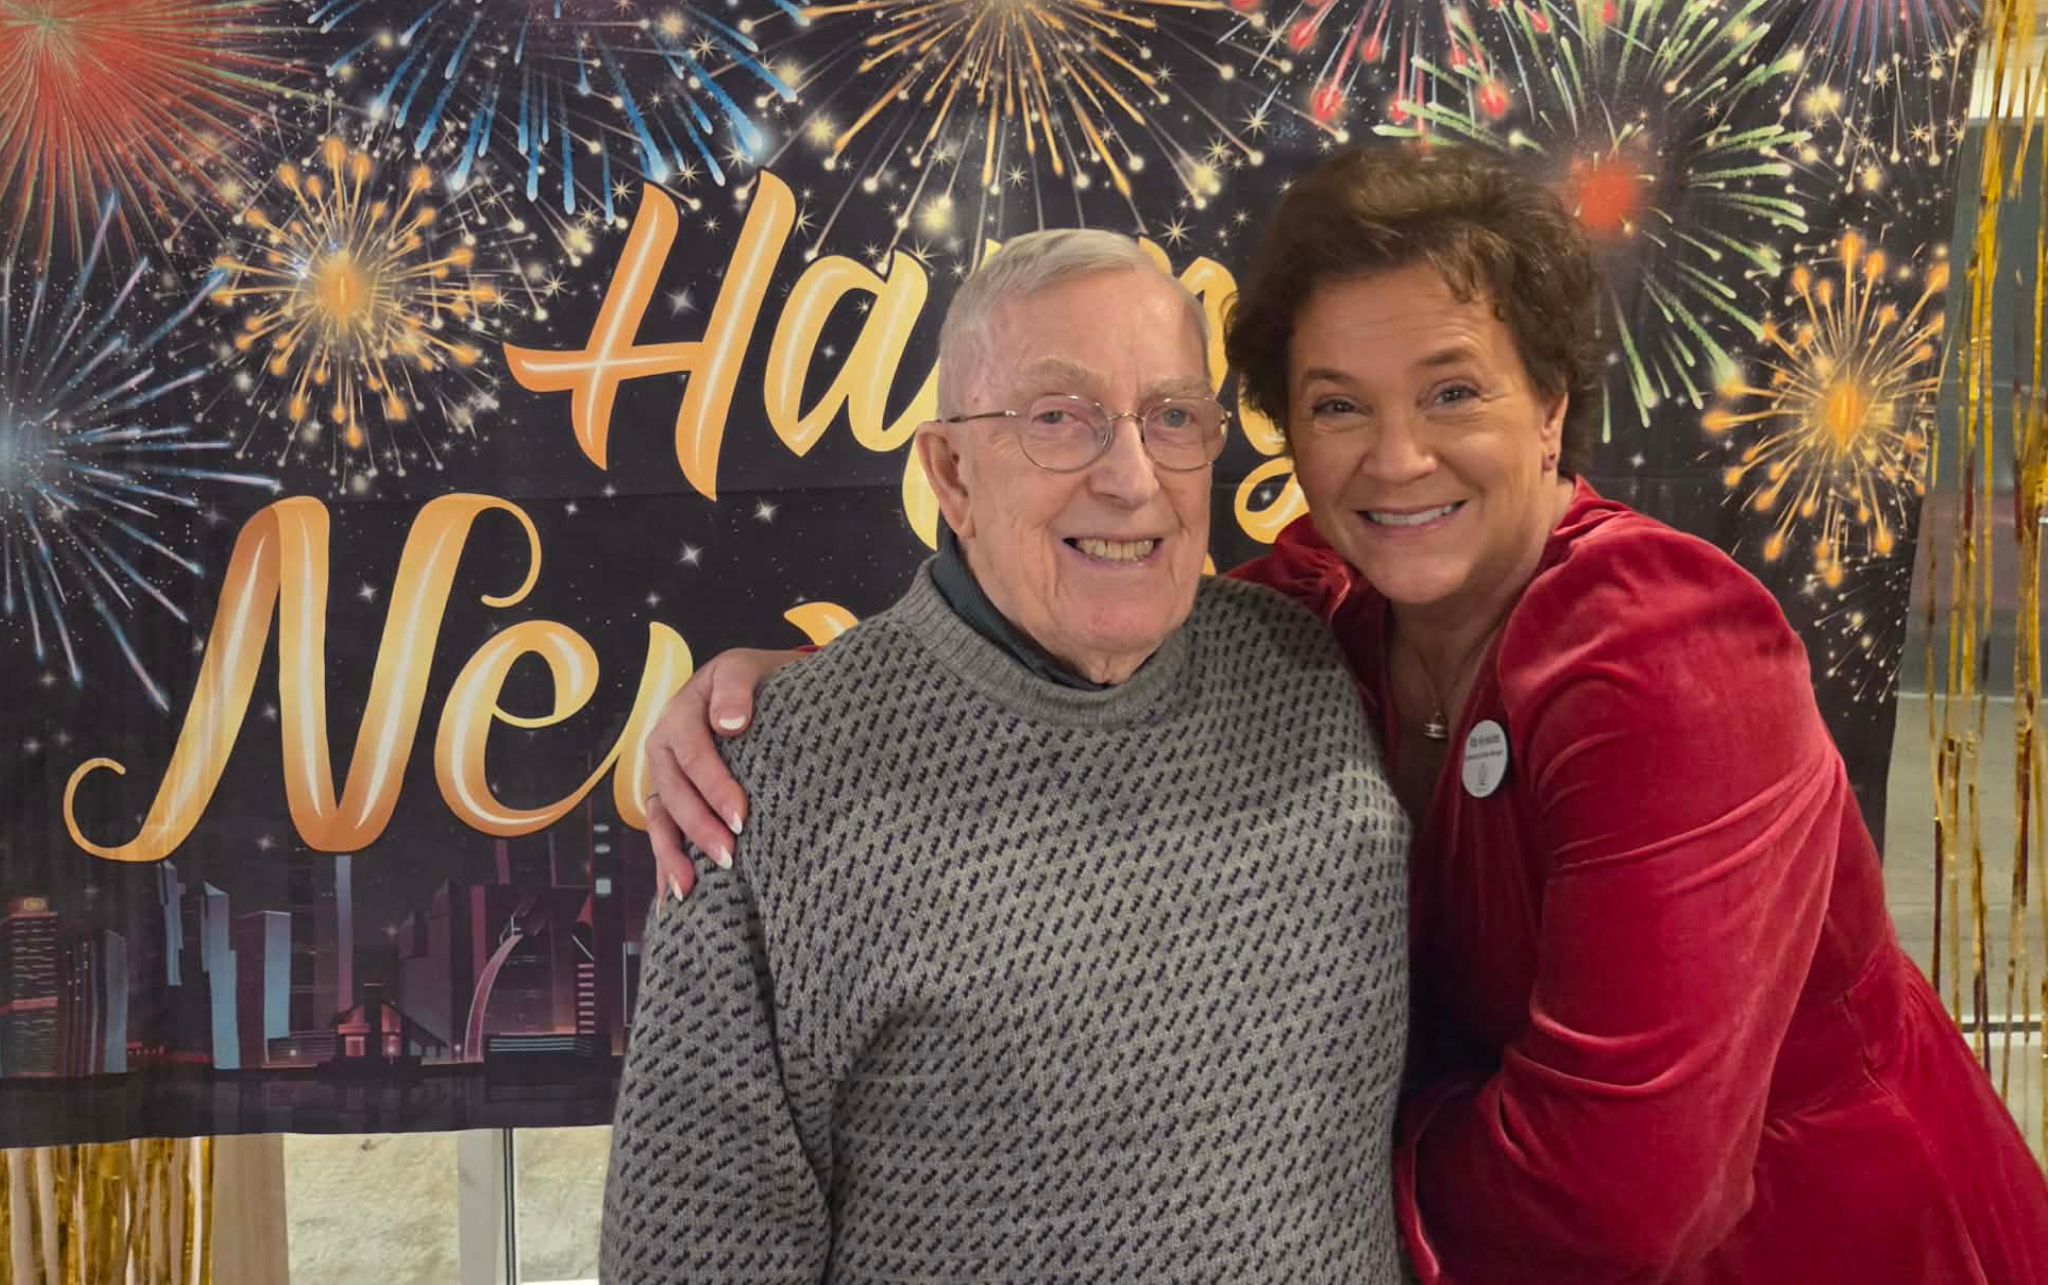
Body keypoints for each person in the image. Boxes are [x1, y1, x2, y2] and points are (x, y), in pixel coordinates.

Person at [638, 147, 2048, 1282]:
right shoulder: (1316, 605)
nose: (1397, 456)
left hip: (1807, 1241)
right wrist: (803, 689)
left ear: (1551, 406)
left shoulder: (1678, 661)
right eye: (1337, 406)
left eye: (1453, 391)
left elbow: (1625, 1202)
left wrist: (1287, 1190)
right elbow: (1071, 581)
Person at [601, 229, 1412, 1283]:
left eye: (1171, 417)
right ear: (950, 471)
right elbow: (689, 1255)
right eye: (1058, 420)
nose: (1130, 478)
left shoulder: (1306, 665)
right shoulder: (766, 787)